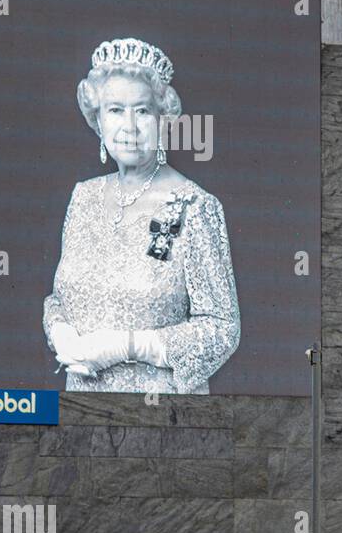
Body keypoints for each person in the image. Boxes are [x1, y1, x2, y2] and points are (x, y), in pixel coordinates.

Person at [42, 37, 240, 393]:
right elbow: (59, 299)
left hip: (162, 419)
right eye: (115, 110)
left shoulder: (195, 206)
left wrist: (129, 347)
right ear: (98, 121)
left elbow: (223, 329)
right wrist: (59, 331)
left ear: (163, 119)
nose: (129, 127)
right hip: (79, 410)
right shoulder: (82, 197)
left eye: (143, 110)